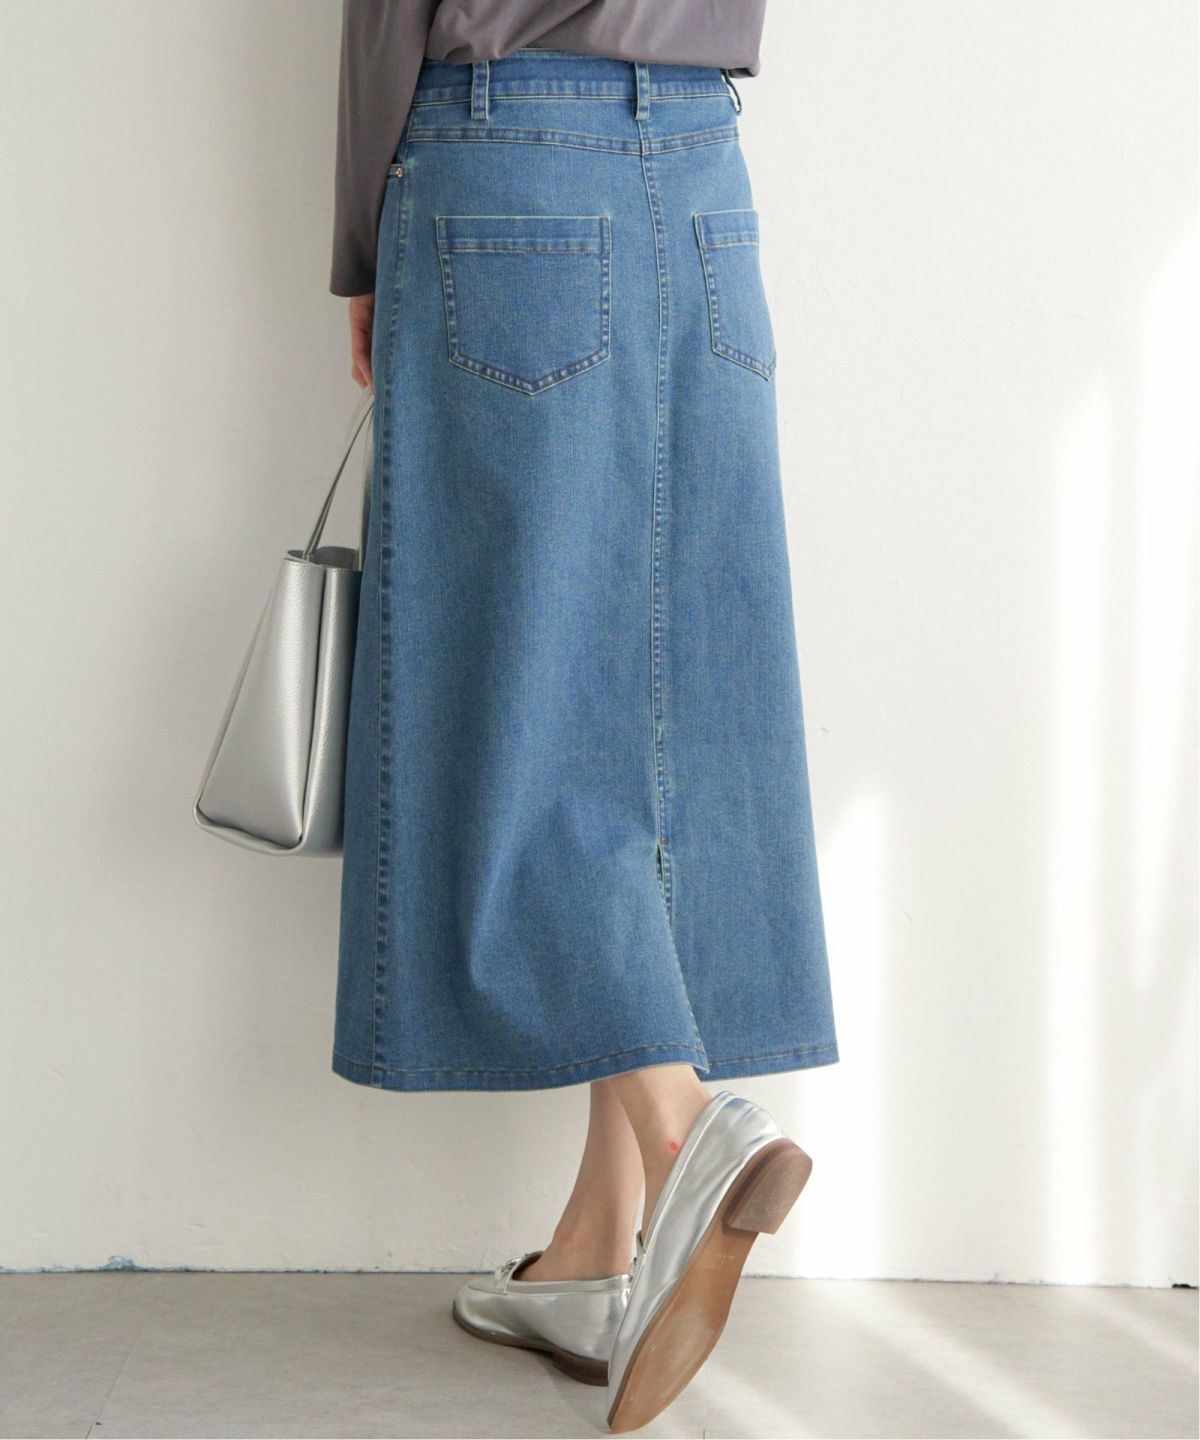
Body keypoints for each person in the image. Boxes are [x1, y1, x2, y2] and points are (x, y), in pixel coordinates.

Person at [330, 3, 838, 1429]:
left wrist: (362, 244)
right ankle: (591, 1255)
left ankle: (687, 1132)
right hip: (704, 179)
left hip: (507, 170)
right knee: (669, 705)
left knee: (512, 699)